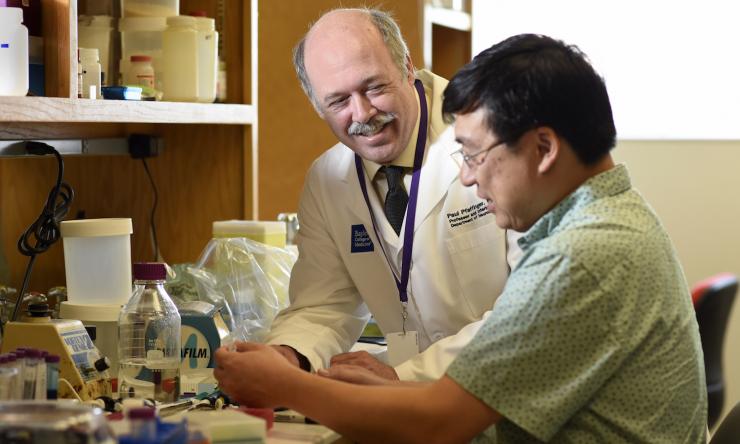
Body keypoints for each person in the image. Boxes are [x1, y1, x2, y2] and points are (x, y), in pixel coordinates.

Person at [215, 33, 707, 443]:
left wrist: (289, 386)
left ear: (543, 148)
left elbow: (439, 422)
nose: (468, 178)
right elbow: (457, 403)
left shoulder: (581, 258)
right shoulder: (605, 218)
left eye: (473, 155)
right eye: (338, 100)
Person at [263, 7, 517, 381]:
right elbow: (323, 305)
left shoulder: (494, 138)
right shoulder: (327, 179)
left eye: (374, 87)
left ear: (407, 67)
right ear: (317, 105)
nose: (362, 113)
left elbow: (532, 309)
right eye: (338, 102)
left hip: (507, 391)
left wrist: (407, 376)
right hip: (414, 407)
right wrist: (285, 358)